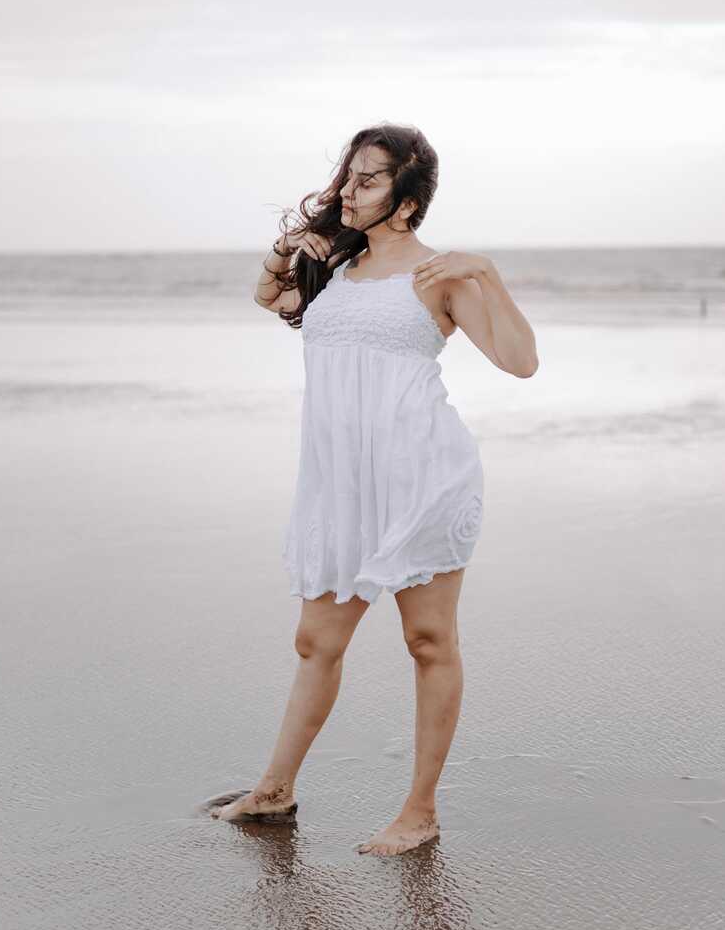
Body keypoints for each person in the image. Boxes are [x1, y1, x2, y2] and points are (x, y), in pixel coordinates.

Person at [210, 123, 538, 855]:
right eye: (346, 176)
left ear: (408, 198)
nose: (347, 191)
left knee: (428, 641)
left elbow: (520, 361)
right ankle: (275, 789)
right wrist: (288, 249)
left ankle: (419, 812)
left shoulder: (441, 276)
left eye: (368, 180)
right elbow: (270, 297)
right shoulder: (336, 267)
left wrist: (486, 272)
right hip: (341, 487)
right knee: (314, 641)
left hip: (422, 477)